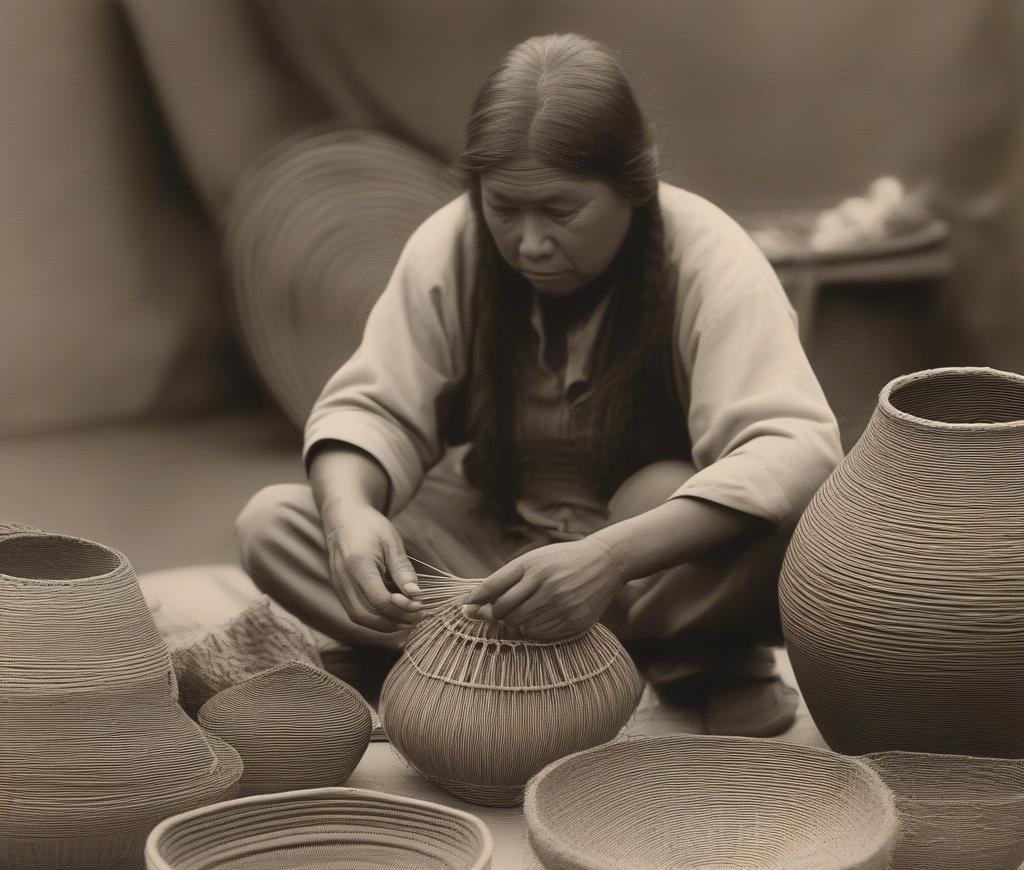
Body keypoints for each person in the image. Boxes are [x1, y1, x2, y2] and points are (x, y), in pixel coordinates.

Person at [237, 33, 843, 736]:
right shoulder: (452, 243)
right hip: (492, 566)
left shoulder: (709, 254)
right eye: (504, 209)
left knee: (794, 532)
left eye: (560, 212)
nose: (528, 243)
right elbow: (374, 407)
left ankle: (694, 654)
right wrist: (350, 518)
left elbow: (790, 446)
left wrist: (608, 558)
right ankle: (534, 647)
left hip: (648, 572)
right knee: (276, 525)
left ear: (635, 183)